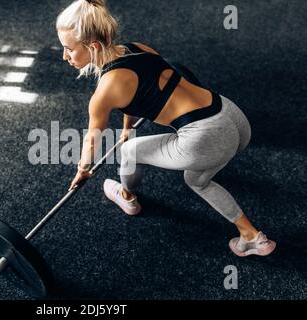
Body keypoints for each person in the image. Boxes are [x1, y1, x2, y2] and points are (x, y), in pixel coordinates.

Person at [56, 0, 276, 257]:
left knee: (147, 160)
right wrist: (127, 128)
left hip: (204, 136)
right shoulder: (137, 48)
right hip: (232, 116)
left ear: (92, 46)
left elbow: (93, 138)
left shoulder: (104, 92)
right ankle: (213, 163)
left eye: (68, 49)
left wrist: (82, 170)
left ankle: (128, 197)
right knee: (197, 162)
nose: (65, 56)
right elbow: (135, 96)